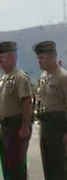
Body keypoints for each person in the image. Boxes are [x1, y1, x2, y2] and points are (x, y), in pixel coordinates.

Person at [0, 41, 33, 180]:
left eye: (2, 58)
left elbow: (26, 102)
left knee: (17, 164)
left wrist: (24, 126)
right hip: (5, 126)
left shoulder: (20, 78)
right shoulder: (3, 79)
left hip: (16, 125)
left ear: (12, 57)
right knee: (7, 164)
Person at [33, 41, 67, 180]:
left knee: (59, 166)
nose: (39, 61)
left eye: (42, 58)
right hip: (46, 125)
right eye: (38, 58)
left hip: (58, 125)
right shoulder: (43, 77)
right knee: (48, 165)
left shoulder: (63, 77)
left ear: (52, 56)